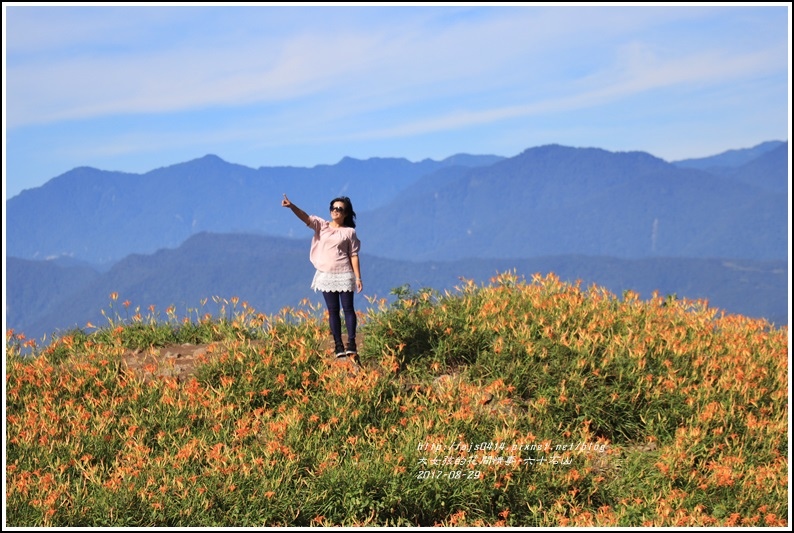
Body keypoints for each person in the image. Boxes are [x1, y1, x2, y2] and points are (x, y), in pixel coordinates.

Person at [282, 194, 363, 357]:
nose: (335, 211)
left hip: (345, 273)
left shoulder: (349, 232)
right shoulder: (322, 225)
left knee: (348, 309)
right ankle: (338, 345)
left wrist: (358, 277)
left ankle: (352, 343)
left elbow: (353, 254)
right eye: (333, 208)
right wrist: (292, 207)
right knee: (332, 310)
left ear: (346, 213)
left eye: (340, 209)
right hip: (326, 275)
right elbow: (305, 217)